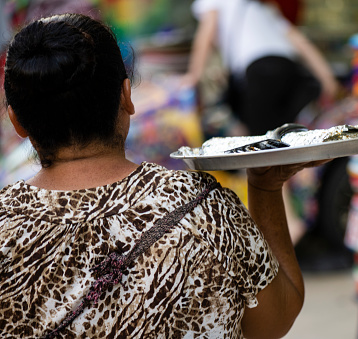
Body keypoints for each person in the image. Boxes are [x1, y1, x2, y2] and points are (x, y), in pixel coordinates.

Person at [0, 13, 329, 338]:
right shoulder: (208, 210)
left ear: (17, 122)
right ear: (127, 97)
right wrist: (266, 188)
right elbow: (274, 321)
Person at [182, 0, 340, 136]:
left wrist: (193, 75)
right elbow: (300, 42)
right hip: (290, 69)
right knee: (287, 139)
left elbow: (206, 33)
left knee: (263, 146)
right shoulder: (264, 7)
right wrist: (328, 79)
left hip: (260, 70)